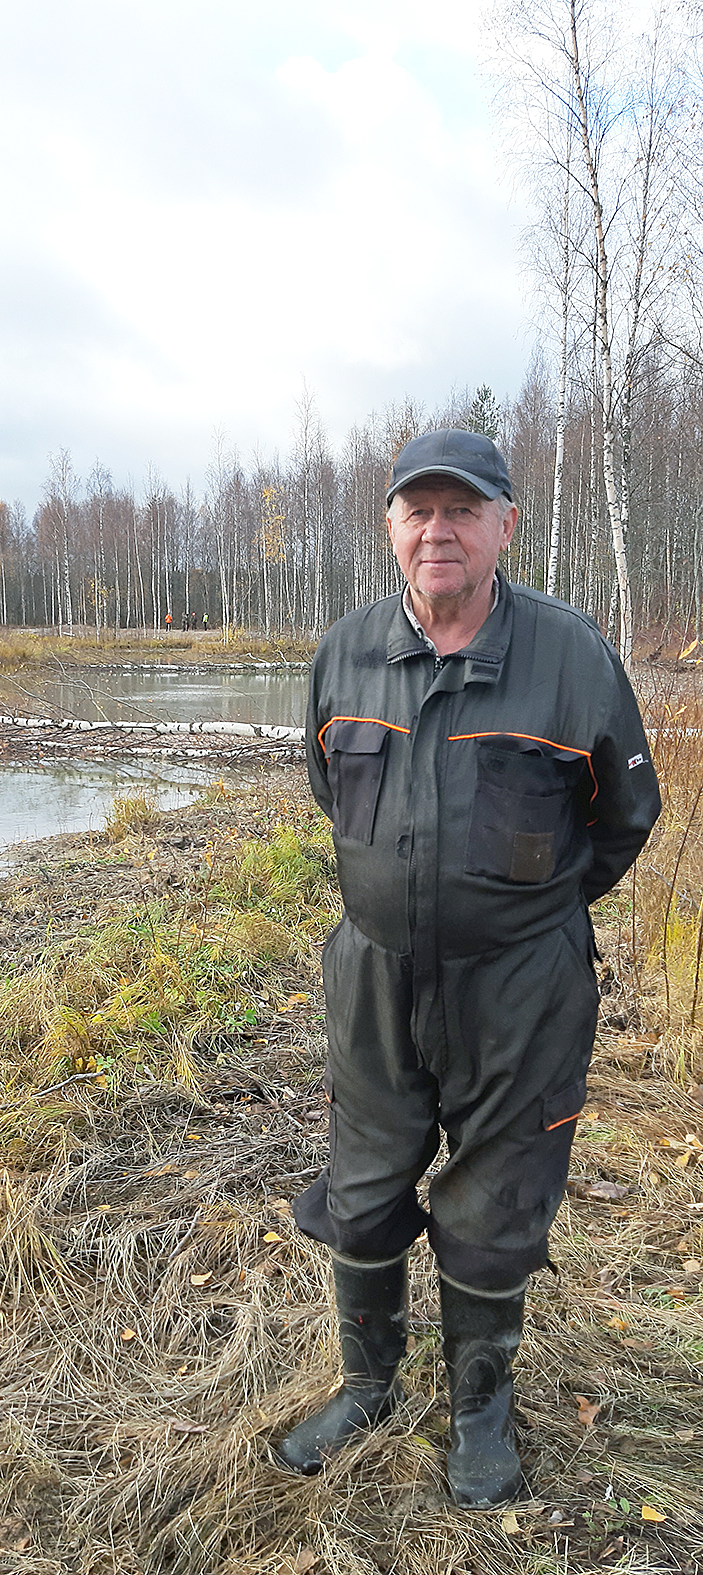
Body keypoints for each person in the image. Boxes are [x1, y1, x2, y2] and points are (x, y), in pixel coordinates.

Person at [278, 428, 661, 1507]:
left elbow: (624, 818)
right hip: (375, 981)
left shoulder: (568, 654)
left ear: (503, 523)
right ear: (389, 527)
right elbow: (326, 790)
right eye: (416, 510)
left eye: (461, 509)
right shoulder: (345, 653)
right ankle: (366, 1386)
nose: (436, 530)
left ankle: (478, 1413)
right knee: (359, 1192)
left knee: (493, 1207)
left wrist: (519, 913)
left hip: (520, 991)